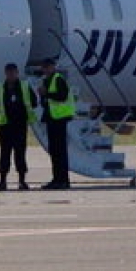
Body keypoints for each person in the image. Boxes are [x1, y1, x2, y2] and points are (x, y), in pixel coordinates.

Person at [0, 63, 38, 190]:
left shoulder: (24, 87)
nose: (11, 75)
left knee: (20, 154)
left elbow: (34, 102)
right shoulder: (0, 88)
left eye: (13, 72)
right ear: (6, 73)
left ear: (17, 73)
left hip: (20, 125)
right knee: (5, 153)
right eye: (9, 72)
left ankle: (22, 181)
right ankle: (2, 181)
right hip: (6, 126)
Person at [37, 57, 75, 190]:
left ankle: (63, 180)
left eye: (48, 67)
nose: (46, 69)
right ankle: (57, 179)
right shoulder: (46, 81)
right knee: (55, 151)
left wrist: (47, 94)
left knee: (60, 151)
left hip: (59, 119)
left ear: (53, 67)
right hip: (52, 119)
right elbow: (45, 101)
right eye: (44, 67)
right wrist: (43, 96)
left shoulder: (58, 79)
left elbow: (62, 96)